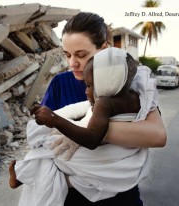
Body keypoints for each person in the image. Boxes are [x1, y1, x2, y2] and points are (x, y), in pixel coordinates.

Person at [38, 11, 166, 205]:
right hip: (71, 197)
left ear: (105, 49)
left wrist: (84, 130)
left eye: (82, 55)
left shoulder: (129, 83)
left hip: (120, 197)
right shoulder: (60, 83)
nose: (72, 63)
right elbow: (43, 134)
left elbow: (157, 136)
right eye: (68, 55)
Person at [9, 47, 158, 206]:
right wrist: (59, 114)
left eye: (89, 85)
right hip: (122, 165)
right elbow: (82, 106)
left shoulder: (104, 102)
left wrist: (54, 119)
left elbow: (92, 138)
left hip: (102, 154)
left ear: (106, 82)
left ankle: (20, 174)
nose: (86, 91)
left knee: (44, 151)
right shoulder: (136, 96)